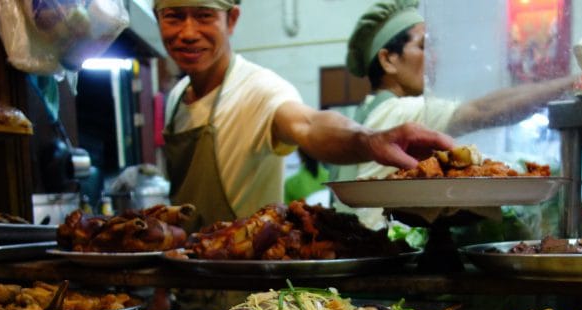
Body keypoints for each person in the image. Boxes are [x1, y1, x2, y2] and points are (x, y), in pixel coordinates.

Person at [154, 0, 455, 227]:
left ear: (231, 20)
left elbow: (309, 124)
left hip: (245, 292)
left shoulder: (258, 89)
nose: (188, 32)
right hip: (186, 283)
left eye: (204, 16)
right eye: (174, 17)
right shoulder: (177, 96)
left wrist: (369, 141)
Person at [332, 0, 577, 227]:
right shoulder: (395, 112)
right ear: (388, 60)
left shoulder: (368, 110)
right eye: (423, 46)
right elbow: (482, 110)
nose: (434, 58)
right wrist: (570, 84)